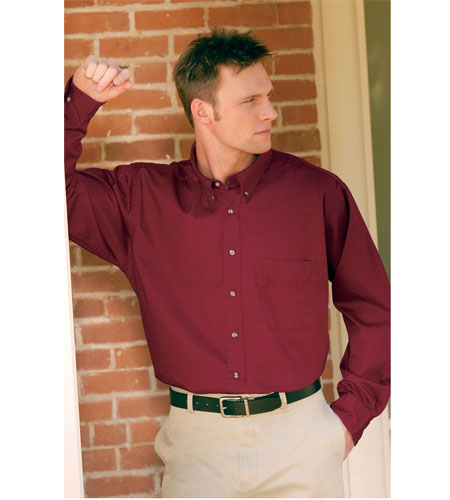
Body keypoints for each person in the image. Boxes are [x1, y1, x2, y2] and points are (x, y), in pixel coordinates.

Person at [64, 27, 390, 498]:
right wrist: (79, 102)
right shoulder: (139, 200)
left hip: (302, 441)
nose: (270, 112)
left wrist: (348, 422)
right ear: (203, 111)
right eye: (250, 101)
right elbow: (42, 189)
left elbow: (374, 309)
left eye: (268, 96)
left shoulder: (317, 193)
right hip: (197, 450)